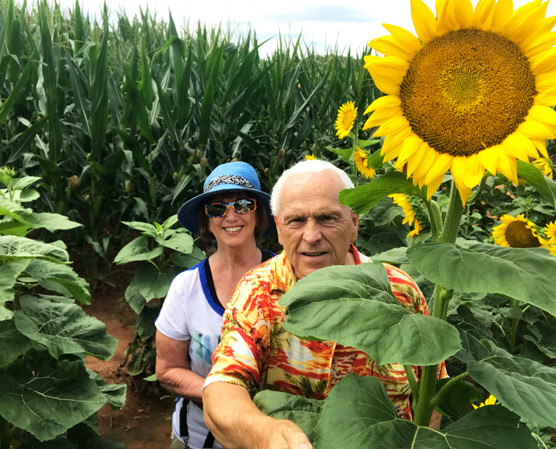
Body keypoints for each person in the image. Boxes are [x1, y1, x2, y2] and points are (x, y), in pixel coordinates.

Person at [202, 160, 446, 449]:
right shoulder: (260, 292)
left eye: (327, 218)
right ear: (279, 229)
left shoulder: (400, 291)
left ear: (354, 223)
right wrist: (265, 434)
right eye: (296, 221)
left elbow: (433, 390)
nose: (311, 235)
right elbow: (224, 386)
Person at [155, 162, 276, 449]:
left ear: (258, 214)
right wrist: (227, 398)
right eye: (217, 208)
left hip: (271, 438)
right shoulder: (187, 287)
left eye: (243, 205)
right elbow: (168, 370)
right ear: (207, 221)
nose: (231, 216)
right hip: (197, 439)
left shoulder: (284, 280)